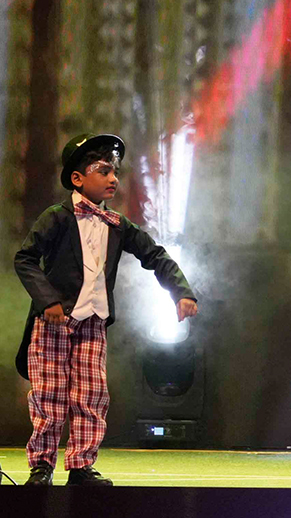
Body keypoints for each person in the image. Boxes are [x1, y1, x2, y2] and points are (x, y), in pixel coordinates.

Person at [14, 133, 198, 487]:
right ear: (77, 178)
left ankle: (81, 466)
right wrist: (48, 300)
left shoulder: (117, 224)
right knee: (50, 395)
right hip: (54, 322)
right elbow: (25, 259)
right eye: (103, 171)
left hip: (92, 323)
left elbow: (154, 254)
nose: (113, 178)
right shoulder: (57, 217)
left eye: (115, 171)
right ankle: (42, 466)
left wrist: (180, 291)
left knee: (91, 395)